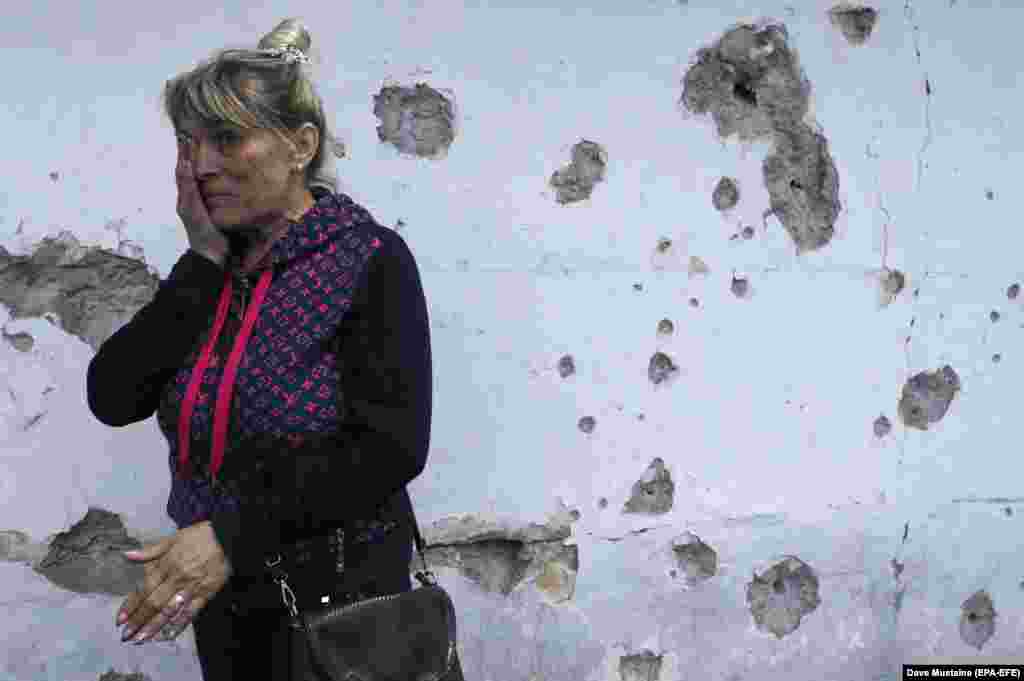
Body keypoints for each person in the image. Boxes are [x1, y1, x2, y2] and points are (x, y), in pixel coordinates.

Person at [86, 18, 434, 679]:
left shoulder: (367, 260)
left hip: (345, 610)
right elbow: (113, 394)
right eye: (190, 146)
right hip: (230, 608)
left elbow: (389, 446)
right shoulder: (217, 271)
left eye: (227, 139)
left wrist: (227, 535)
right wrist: (202, 259)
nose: (202, 165)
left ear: (301, 144)